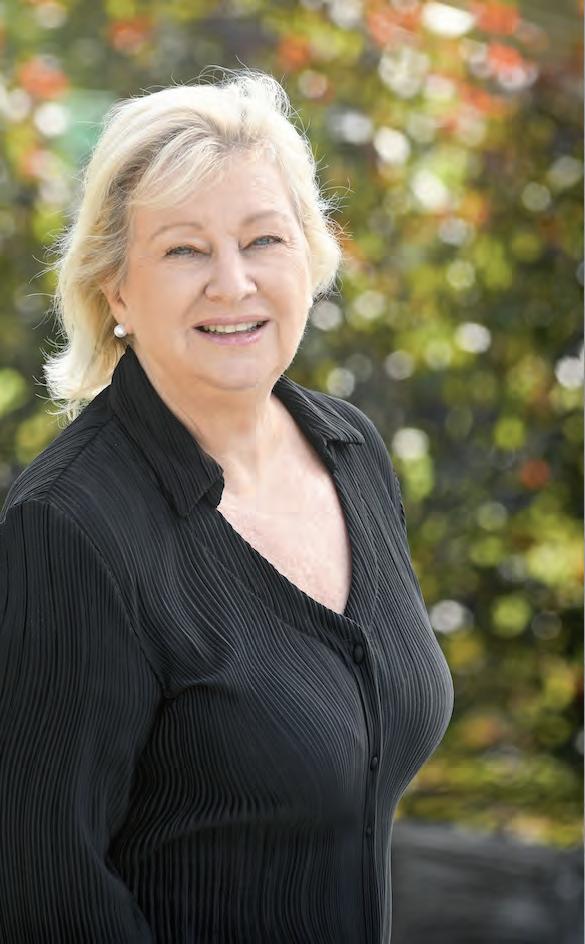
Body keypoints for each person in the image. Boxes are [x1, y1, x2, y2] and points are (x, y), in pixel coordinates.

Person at [0, 69, 454, 943]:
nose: (233, 283)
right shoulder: (70, 528)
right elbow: (41, 889)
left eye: (263, 240)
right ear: (116, 290)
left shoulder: (351, 453)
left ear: (309, 257)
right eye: (184, 251)